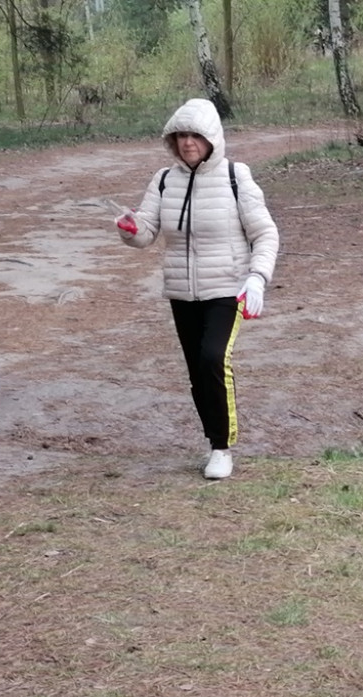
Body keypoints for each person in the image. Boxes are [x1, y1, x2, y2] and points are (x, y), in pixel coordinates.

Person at [115, 98, 279, 479]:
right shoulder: (163, 180)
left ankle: (223, 447)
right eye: (181, 135)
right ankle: (211, 442)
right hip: (181, 292)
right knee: (196, 370)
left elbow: (265, 233)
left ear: (212, 139)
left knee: (212, 359)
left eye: (195, 135)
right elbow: (148, 231)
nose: (188, 142)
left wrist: (258, 278)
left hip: (228, 288)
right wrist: (130, 230)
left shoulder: (237, 177)